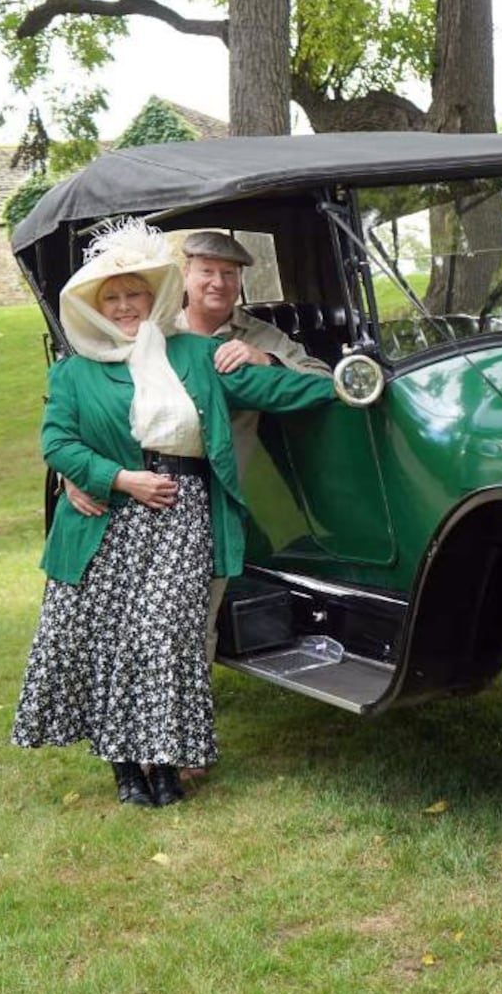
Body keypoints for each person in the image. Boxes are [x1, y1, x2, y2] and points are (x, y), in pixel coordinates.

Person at [11, 219, 337, 808]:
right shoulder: (75, 371)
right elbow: (58, 443)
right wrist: (117, 478)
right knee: (114, 640)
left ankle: (164, 761)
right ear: (96, 307)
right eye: (112, 298)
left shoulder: (197, 353)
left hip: (182, 516)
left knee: (166, 637)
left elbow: (284, 393)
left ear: (154, 296)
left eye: (134, 294)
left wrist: (350, 384)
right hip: (107, 518)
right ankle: (125, 768)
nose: (126, 306)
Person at [64, 230, 331, 673]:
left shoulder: (258, 335)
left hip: (214, 493)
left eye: (230, 273)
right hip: (134, 492)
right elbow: (81, 411)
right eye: (206, 271)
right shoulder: (152, 331)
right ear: (184, 275)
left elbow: (321, 382)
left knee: (192, 613)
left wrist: (265, 359)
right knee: (132, 613)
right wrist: (77, 474)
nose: (218, 282)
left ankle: (186, 712)